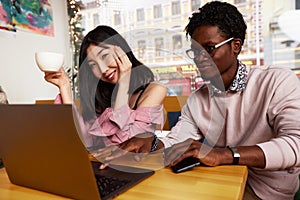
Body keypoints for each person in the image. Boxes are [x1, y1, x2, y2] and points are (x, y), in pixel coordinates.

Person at [98, 2, 300, 199]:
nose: (199, 58)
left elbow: (296, 144)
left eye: (209, 48)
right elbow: (176, 141)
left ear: (236, 46)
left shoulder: (276, 81)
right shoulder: (198, 99)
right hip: (221, 179)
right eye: (195, 51)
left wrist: (223, 154)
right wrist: (151, 142)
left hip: (265, 191)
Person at [44, 25, 166, 150]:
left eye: (104, 56)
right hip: (106, 165)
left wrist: (124, 83)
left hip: (139, 165)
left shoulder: (155, 90)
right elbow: (85, 139)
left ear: (122, 51)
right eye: (93, 65)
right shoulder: (104, 94)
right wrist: (65, 87)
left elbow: (122, 144)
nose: (103, 69)